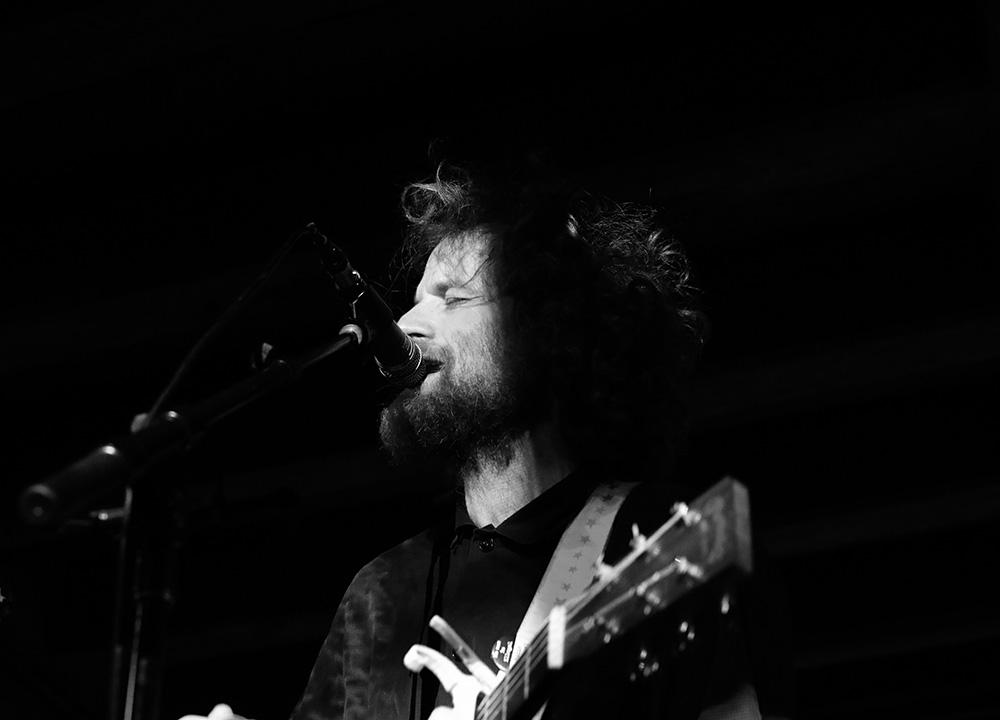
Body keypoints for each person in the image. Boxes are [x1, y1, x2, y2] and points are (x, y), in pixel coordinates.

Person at [182, 160, 794, 720]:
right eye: (416, 301)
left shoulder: (664, 536)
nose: (404, 326)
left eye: (452, 298)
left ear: (548, 331)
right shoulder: (381, 592)